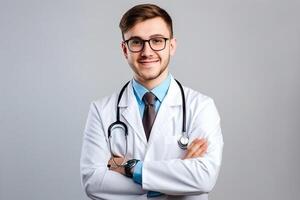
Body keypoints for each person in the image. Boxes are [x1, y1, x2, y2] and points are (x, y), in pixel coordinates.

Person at [80, 4, 223, 200]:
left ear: (171, 46)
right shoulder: (101, 110)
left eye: (157, 41)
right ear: (125, 49)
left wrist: (131, 168)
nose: (147, 51)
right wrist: (176, 181)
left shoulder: (201, 107)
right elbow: (93, 182)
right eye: (137, 42)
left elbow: (204, 177)